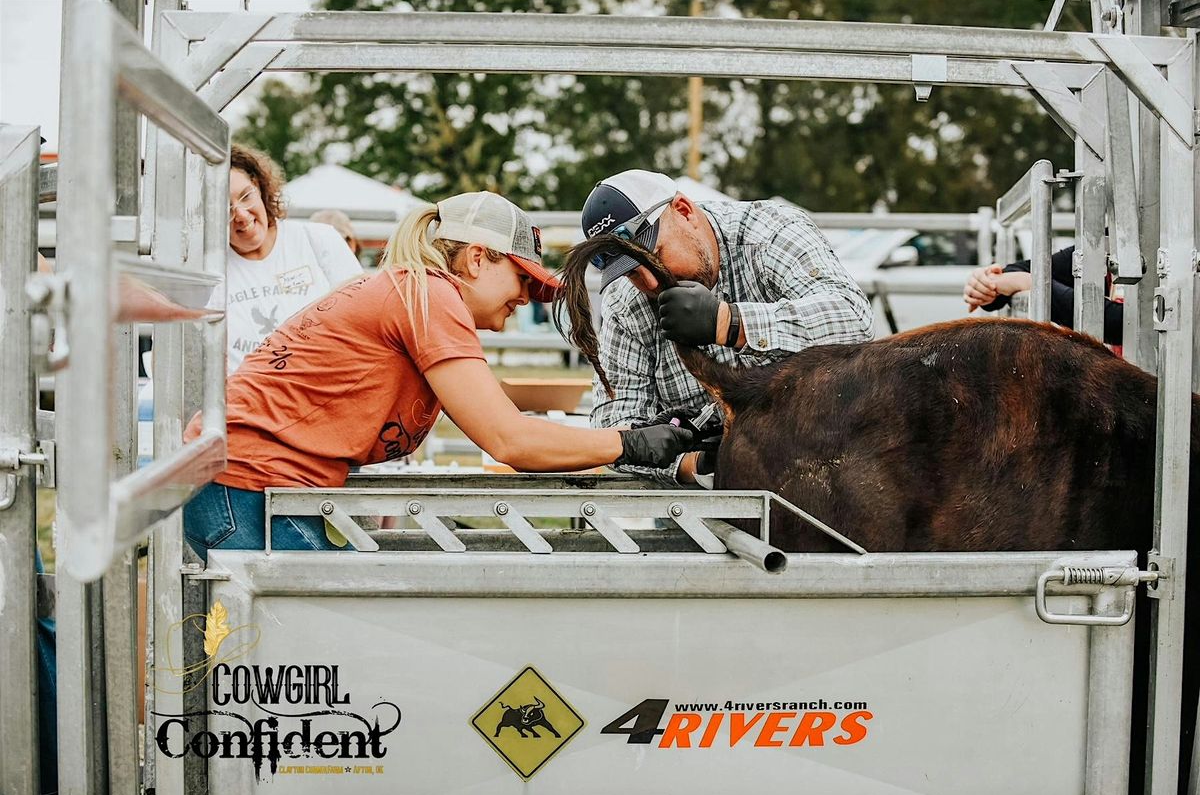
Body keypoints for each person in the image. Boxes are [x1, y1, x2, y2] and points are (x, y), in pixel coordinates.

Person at [182, 191, 695, 559]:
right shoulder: (429, 296)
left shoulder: (410, 290)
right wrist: (630, 443)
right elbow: (509, 439)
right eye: (521, 279)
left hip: (246, 483)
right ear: (476, 258)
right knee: (298, 668)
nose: (522, 299)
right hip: (247, 486)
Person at [580, 169, 874, 487]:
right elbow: (613, 427)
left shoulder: (769, 230)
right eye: (632, 273)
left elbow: (854, 320)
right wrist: (696, 465)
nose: (650, 283)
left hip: (827, 474)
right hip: (702, 504)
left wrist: (729, 323)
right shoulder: (626, 303)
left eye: (656, 257)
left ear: (684, 211)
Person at [224, 145, 362, 370]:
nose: (240, 215)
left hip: (323, 392)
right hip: (249, 401)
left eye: (245, 196)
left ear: (258, 185)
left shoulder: (318, 240)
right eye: (224, 208)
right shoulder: (210, 271)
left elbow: (364, 323)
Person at [962, 245, 1123, 345]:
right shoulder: (1110, 239)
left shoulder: (1138, 236)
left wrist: (1034, 286)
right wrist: (988, 285)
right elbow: (1026, 269)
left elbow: (1123, 323)